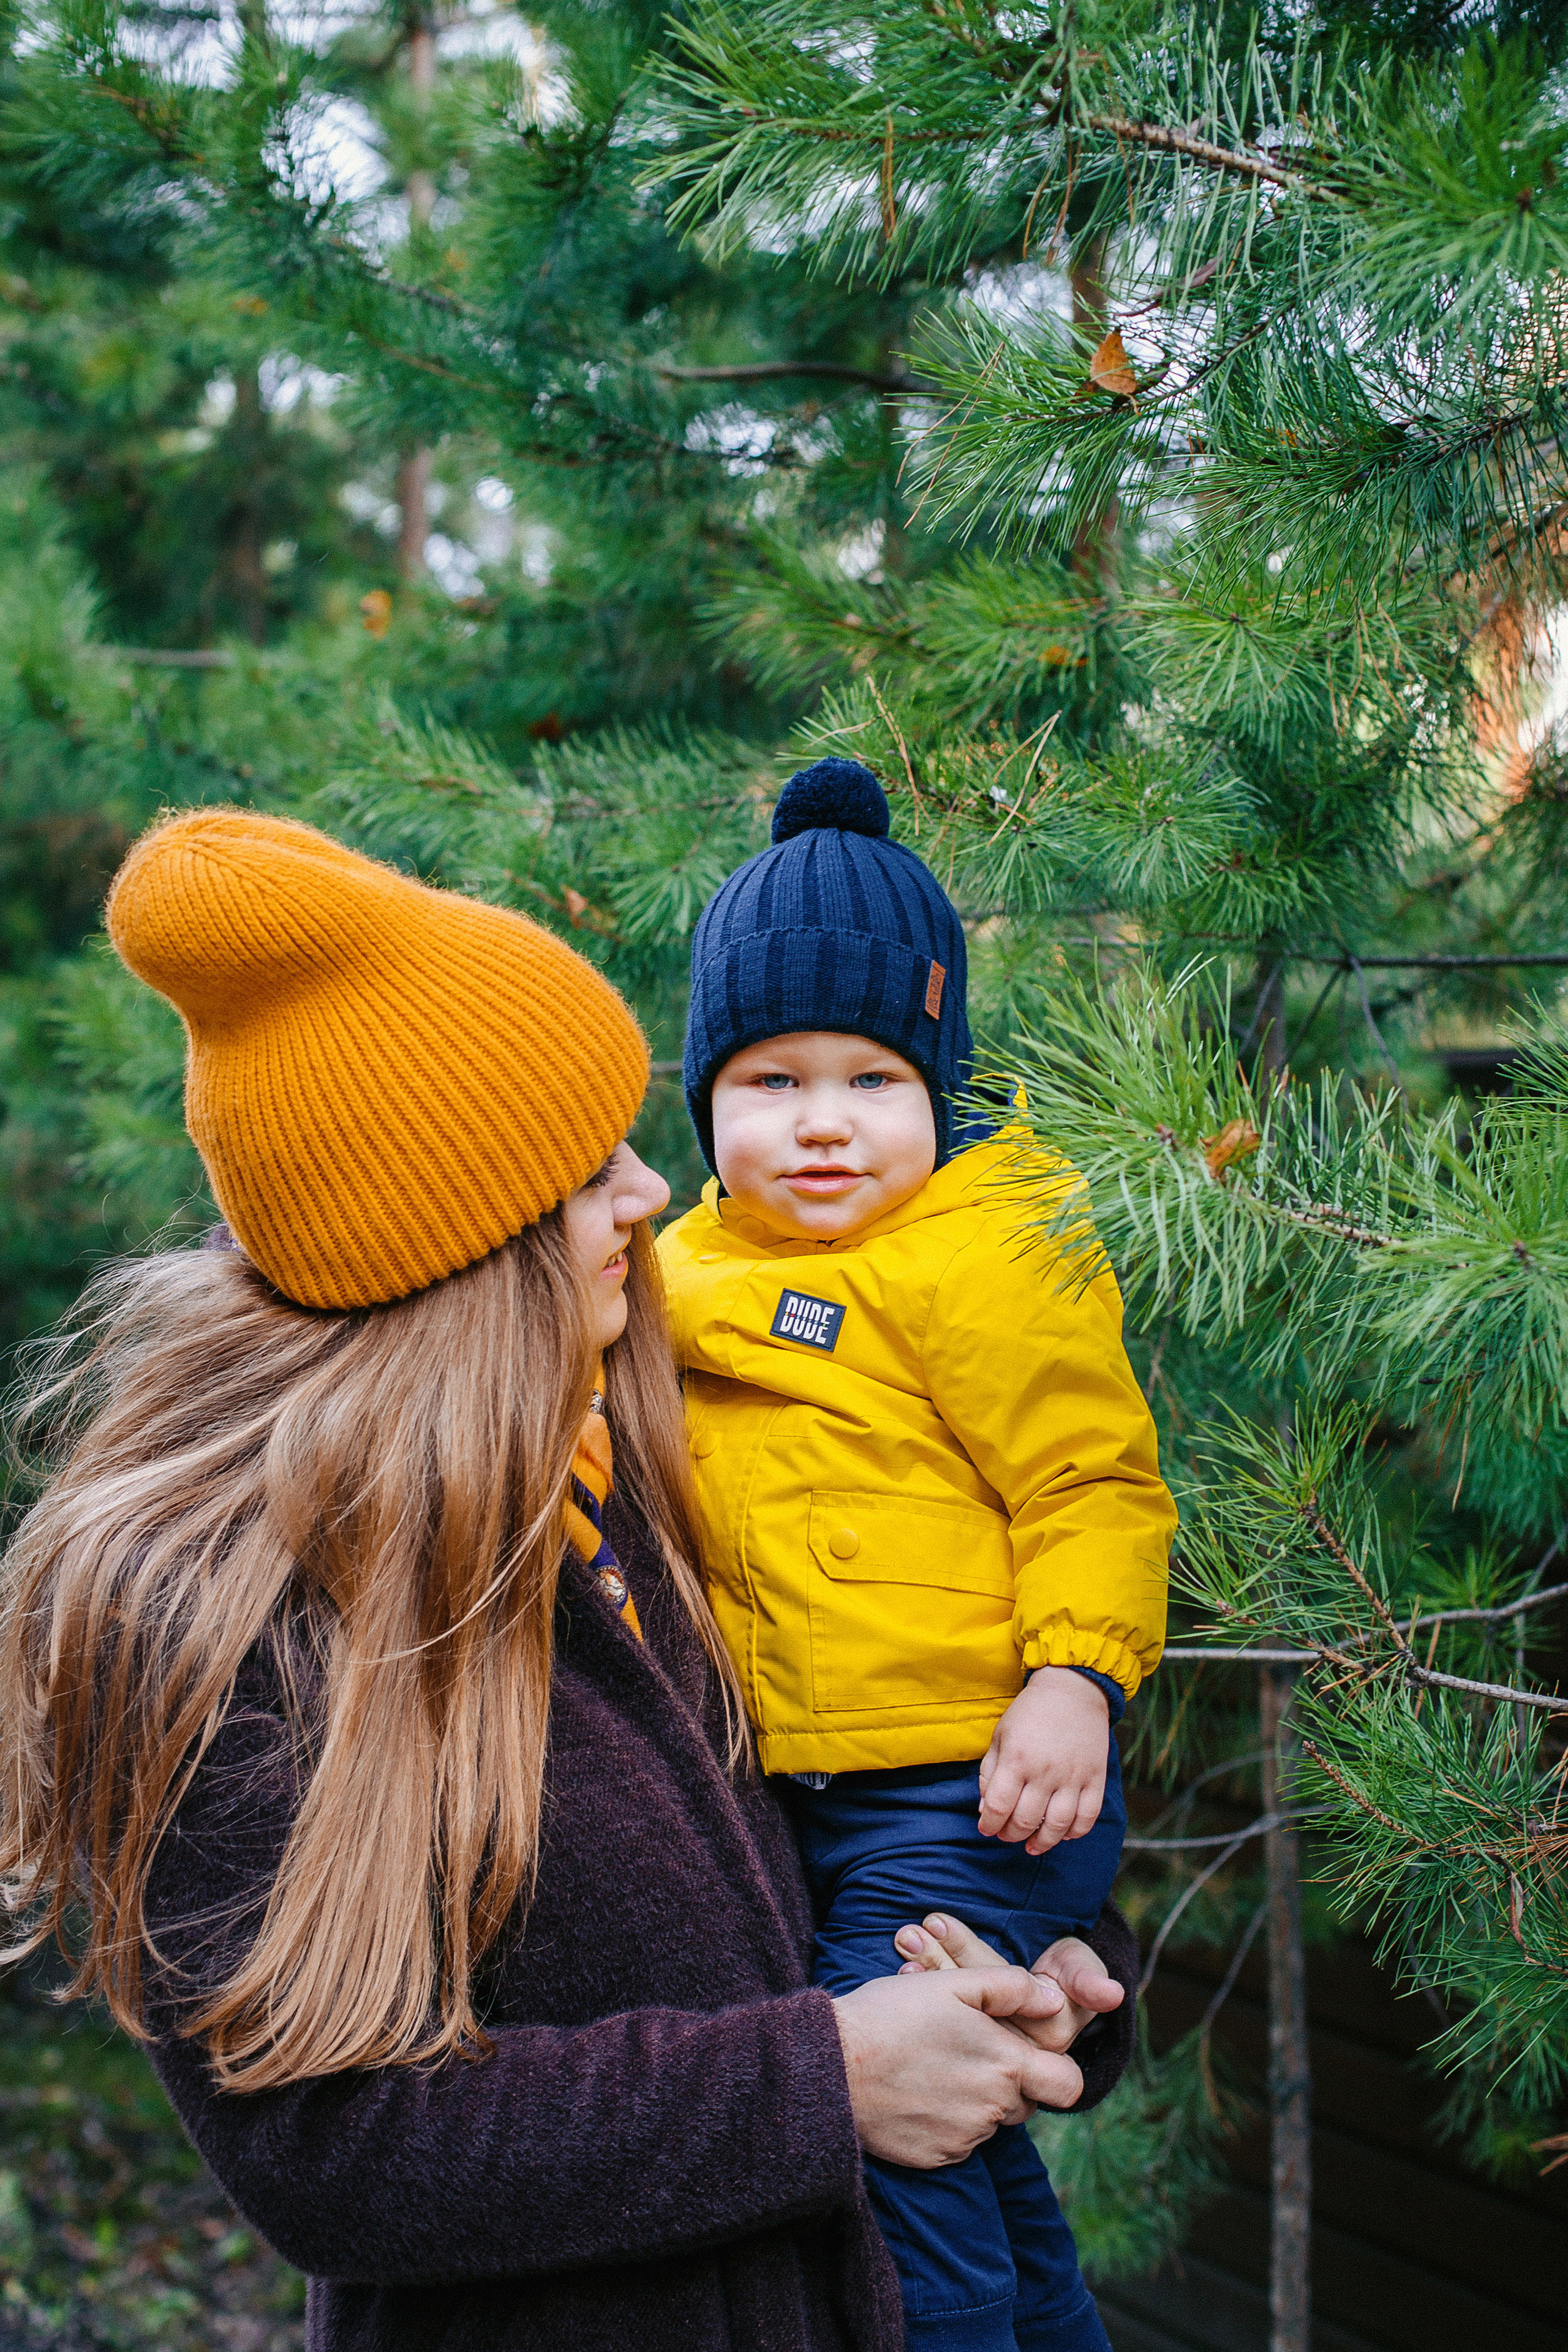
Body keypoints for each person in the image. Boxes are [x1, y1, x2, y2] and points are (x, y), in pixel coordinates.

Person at [0, 808, 1140, 2352]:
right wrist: (826, 2079)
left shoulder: (624, 1469)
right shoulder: (222, 1612)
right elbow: (332, 2152)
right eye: (587, 1166)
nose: (651, 1192)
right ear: (458, 1234)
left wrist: (1010, 1971)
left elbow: (799, 1857)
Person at [658, 758, 1178, 2352]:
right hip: (811, 1784)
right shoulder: (670, 1270)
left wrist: (1074, 1680)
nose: (823, 1125)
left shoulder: (982, 1252)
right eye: (771, 1082)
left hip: (974, 1783)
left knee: (892, 2113)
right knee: (978, 2123)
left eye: (872, 1079)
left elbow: (1095, 1480)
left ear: (937, 1087)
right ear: (706, 1100)